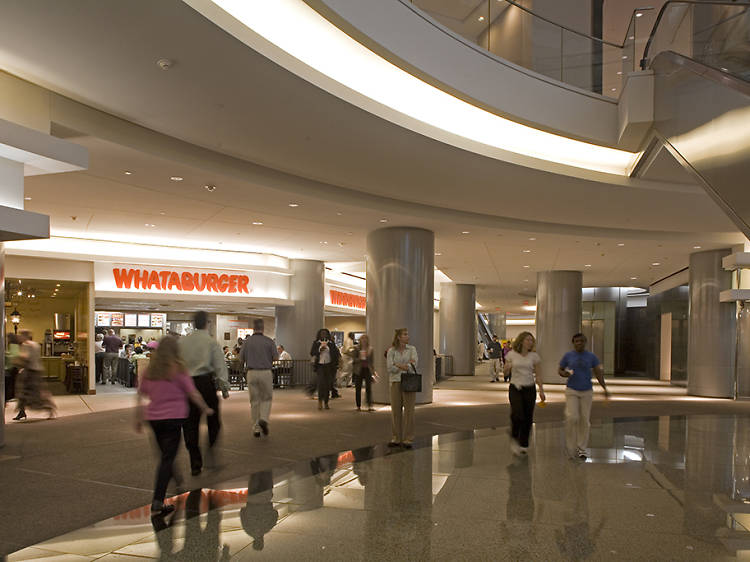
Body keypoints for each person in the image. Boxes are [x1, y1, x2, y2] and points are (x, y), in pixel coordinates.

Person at [135, 336, 214, 515]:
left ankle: (178, 481)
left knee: (165, 455)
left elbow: (141, 395)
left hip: (154, 420)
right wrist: (205, 408)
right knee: (167, 458)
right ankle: (158, 500)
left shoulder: (150, 370)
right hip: (174, 419)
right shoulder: (178, 369)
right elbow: (192, 393)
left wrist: (138, 417)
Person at [178, 311, 230, 475]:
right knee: (214, 420)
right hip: (205, 383)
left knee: (190, 424)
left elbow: (177, 364)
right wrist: (224, 387)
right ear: (206, 323)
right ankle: (210, 449)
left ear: (193, 324)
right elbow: (220, 366)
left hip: (187, 385)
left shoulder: (182, 342)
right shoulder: (210, 342)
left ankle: (195, 462)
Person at [558, 333, 610, 460]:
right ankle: (570, 447)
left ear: (585, 342)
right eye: (576, 341)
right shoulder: (568, 356)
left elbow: (598, 372)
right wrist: (564, 373)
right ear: (573, 343)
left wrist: (604, 388)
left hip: (587, 391)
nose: (579, 343)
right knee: (572, 417)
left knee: (584, 420)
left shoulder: (591, 356)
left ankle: (582, 448)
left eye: (581, 341)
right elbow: (560, 369)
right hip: (572, 390)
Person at [503, 331, 545, 456]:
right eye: (528, 339)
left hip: (529, 388)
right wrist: (507, 368)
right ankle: (514, 434)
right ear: (521, 341)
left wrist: (541, 390)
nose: (530, 342)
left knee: (528, 417)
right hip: (515, 387)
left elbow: (538, 375)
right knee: (518, 413)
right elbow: (505, 373)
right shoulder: (511, 354)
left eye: (532, 340)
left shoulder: (534, 356)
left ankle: (524, 444)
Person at [239, 318, 278, 437]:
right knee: (266, 398)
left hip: (251, 372)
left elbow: (241, 358)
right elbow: (276, 358)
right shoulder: (269, 341)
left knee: (254, 401)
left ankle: (256, 428)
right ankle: (264, 419)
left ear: (253, 328)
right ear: (263, 328)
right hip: (266, 372)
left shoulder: (247, 342)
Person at [13, 331, 57, 420]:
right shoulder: (36, 345)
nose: (19, 337)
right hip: (37, 371)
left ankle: (47, 408)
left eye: (20, 335)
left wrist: (17, 359)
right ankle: (22, 411)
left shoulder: (26, 345)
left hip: (30, 372)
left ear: (25, 336)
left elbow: (26, 358)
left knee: (28, 393)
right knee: (32, 392)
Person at [386, 328, 418, 448]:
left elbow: (414, 365)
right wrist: (404, 365)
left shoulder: (412, 349)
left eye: (407, 334)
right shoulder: (391, 351)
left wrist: (397, 364)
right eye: (405, 334)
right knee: (395, 411)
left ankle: (408, 438)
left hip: (409, 381)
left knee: (409, 411)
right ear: (398, 337)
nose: (407, 336)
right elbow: (390, 368)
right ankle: (396, 438)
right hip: (395, 382)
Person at [310, 328, 340, 410]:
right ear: (319, 334)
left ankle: (326, 402)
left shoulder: (331, 343)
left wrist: (328, 348)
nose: (323, 335)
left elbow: (336, 354)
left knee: (328, 385)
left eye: (325, 333)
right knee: (321, 384)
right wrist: (320, 349)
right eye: (322, 333)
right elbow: (312, 352)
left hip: (329, 366)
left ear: (327, 335)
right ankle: (320, 402)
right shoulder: (316, 343)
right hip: (320, 366)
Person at [350, 333, 375, 412]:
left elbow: (372, 362)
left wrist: (373, 372)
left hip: (367, 369)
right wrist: (359, 358)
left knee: (368, 388)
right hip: (359, 370)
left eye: (366, 338)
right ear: (360, 340)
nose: (364, 340)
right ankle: (358, 406)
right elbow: (353, 360)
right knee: (358, 388)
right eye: (362, 338)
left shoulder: (370, 349)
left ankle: (369, 405)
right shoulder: (356, 348)